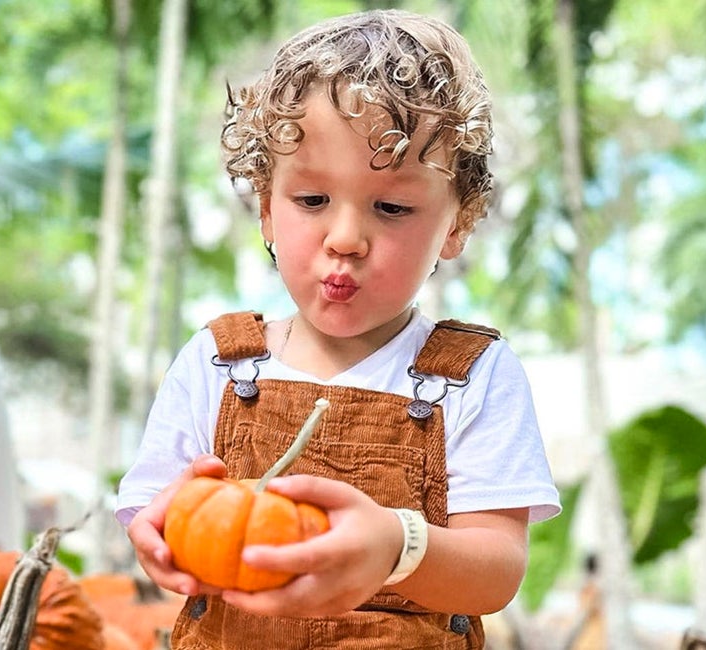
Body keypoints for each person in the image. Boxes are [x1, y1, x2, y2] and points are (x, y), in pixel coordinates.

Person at [118, 9, 561, 649]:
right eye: (312, 201)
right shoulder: (217, 363)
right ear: (267, 208)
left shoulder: (470, 375)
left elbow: (496, 570)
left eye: (391, 207)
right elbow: (154, 517)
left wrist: (397, 546)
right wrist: (162, 539)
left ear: (456, 224)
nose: (346, 239)